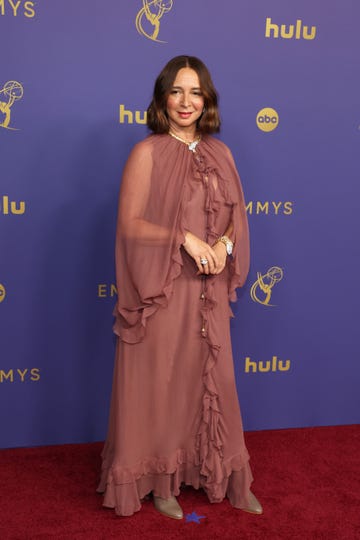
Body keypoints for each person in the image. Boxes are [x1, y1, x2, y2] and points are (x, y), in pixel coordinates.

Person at [97, 55, 262, 519]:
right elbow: (130, 225)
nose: (186, 102)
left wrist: (225, 246)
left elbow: (236, 217)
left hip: (208, 291)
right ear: (162, 97)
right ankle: (160, 482)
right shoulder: (146, 153)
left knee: (211, 382)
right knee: (162, 383)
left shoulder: (221, 153)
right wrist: (186, 239)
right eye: (176, 91)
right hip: (164, 290)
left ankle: (226, 476)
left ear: (207, 98)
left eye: (195, 92)